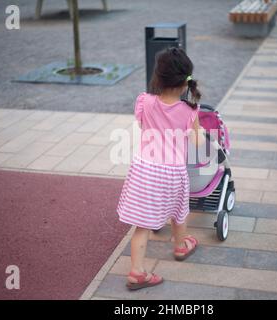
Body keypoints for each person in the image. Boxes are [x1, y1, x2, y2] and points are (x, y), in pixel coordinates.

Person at [116, 47, 205, 290]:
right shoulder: (190, 110)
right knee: (179, 211)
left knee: (142, 225)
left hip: (144, 169)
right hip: (172, 172)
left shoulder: (144, 101)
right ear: (185, 80)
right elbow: (198, 142)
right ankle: (180, 246)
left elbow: (142, 122)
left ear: (158, 76)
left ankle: (136, 272)